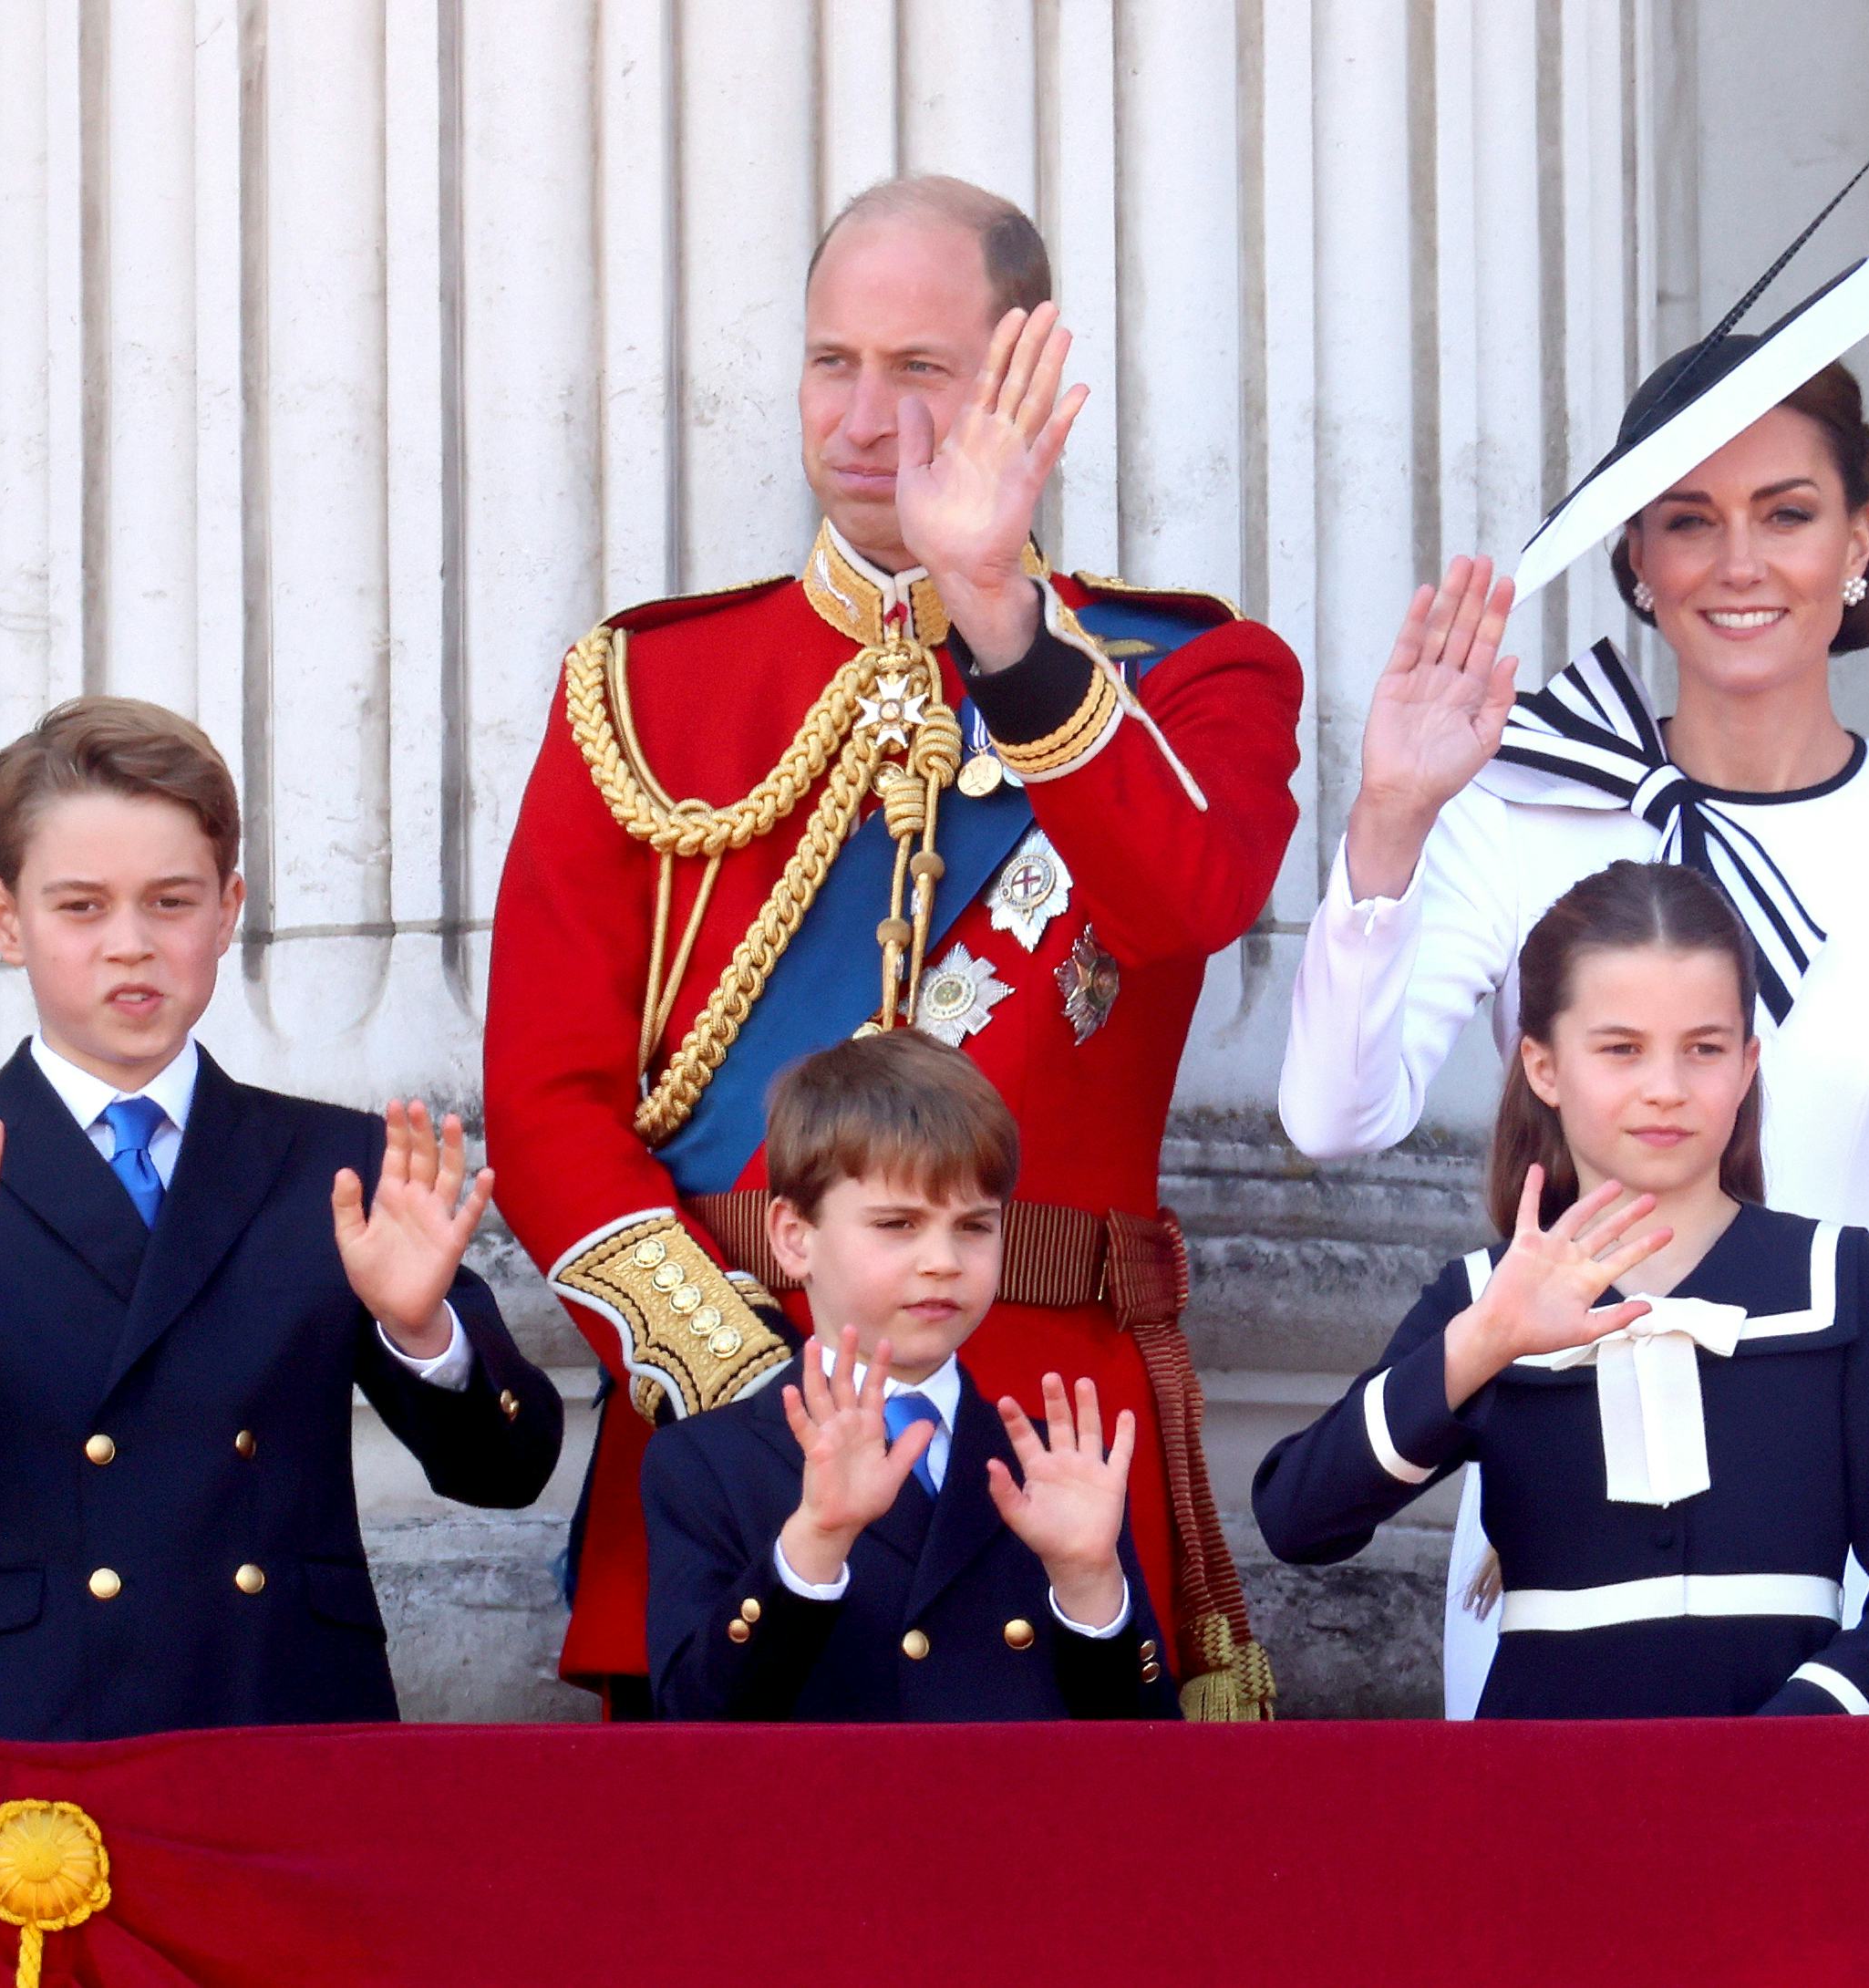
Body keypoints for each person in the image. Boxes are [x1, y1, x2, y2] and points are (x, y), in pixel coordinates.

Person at [486, 174, 1299, 1717]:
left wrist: (999, 617)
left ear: (1024, 381)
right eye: (830, 362)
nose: (863, 416)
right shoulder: (646, 685)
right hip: (720, 1438)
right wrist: (751, 1393)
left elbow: (1189, 899)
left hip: (1049, 1424)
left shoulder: (1194, 674)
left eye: (918, 369)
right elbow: (541, 1099)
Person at [1280, 350, 1869, 1715]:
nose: (1737, 561)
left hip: (1851, 1607)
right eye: (1688, 518)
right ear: (1636, 556)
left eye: (1787, 510)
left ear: (1859, 537)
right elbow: (1334, 1119)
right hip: (1554, 1581)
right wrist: (1392, 817)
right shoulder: (1515, 807)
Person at [0, 699, 562, 1739]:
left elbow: (508, 1470)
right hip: (15, 1729)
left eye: (170, 900)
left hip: (276, 1717)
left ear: (229, 909)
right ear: (6, 918)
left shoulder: (337, 1163)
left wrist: (426, 1334)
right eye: (82, 906)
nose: (130, 946)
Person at [1258, 861, 1869, 1716]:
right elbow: (1298, 1520)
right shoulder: (1486, 1297)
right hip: (1545, 1811)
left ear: (1748, 1065)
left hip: (1789, 1809)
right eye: (1622, 1049)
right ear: (1543, 1065)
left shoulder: (1840, 1280)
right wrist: (1480, 1345)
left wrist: (1800, 1739)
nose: (1666, 1088)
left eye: (1703, 1049)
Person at [645, 1030, 1175, 1720]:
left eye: (975, 1227)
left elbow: (1148, 1762)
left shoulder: (1051, 1467)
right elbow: (691, 1728)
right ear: (794, 1237)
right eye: (898, 1224)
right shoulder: (708, 1462)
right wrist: (814, 1541)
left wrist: (1090, 1586)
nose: (943, 1261)